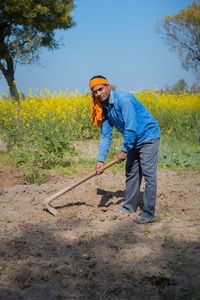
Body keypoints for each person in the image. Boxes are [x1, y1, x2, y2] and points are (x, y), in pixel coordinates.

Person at [89, 75, 160, 224]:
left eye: (100, 89)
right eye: (94, 92)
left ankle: (148, 214)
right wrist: (100, 160)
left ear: (108, 86)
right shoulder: (105, 109)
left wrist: (124, 150)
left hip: (148, 136)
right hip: (133, 140)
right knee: (131, 172)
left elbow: (131, 127)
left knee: (148, 173)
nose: (98, 94)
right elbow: (106, 136)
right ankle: (129, 207)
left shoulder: (124, 99)